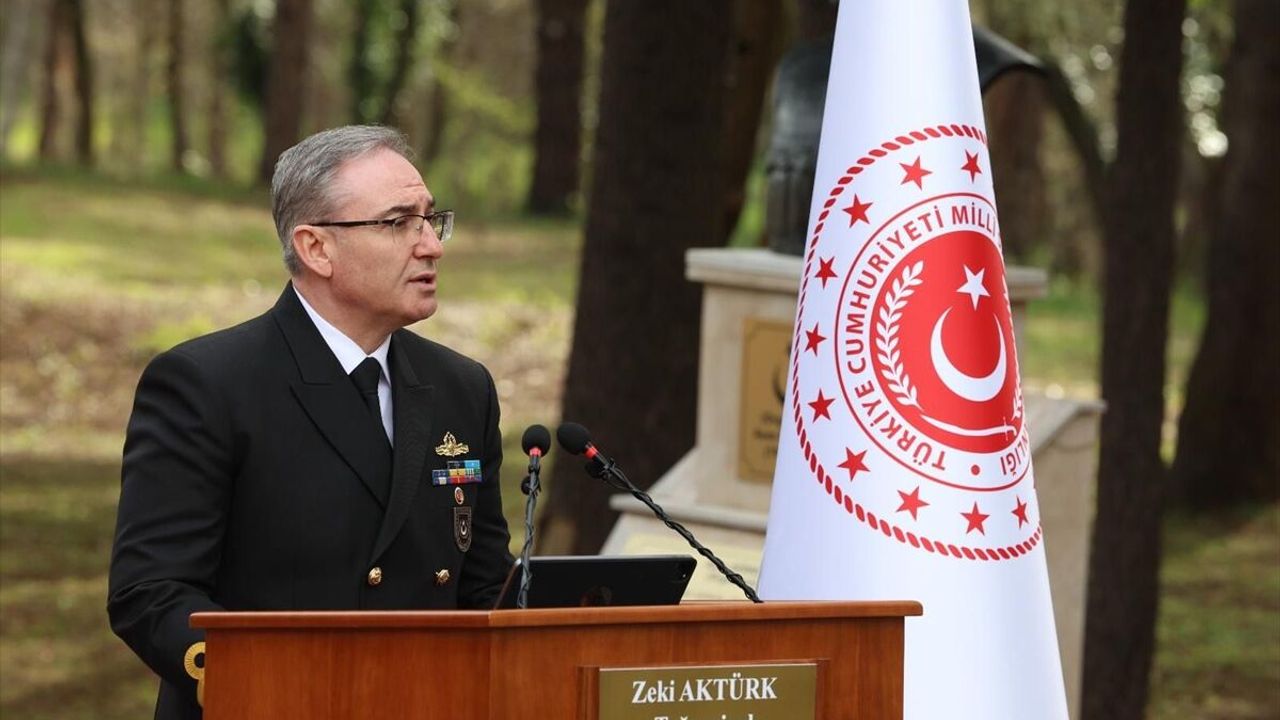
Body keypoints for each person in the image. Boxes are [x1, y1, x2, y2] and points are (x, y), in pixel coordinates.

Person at [107, 125, 514, 719]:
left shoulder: (462, 388)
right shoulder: (208, 383)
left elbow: (482, 586)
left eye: (431, 220)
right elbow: (151, 592)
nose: (431, 245)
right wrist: (271, 681)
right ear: (316, 248)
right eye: (398, 222)